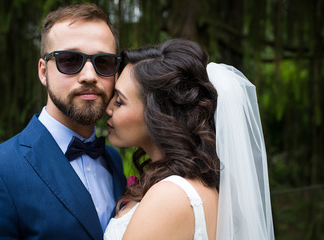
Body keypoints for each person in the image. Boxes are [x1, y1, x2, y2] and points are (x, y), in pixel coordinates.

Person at [0, 3, 126, 240]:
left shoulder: (112, 160)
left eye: (103, 62)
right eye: (70, 60)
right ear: (43, 71)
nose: (90, 76)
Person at [103, 39, 275, 239]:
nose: (108, 109)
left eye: (119, 101)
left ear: (157, 114)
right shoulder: (200, 186)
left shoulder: (170, 196)